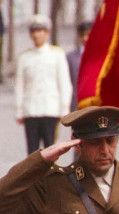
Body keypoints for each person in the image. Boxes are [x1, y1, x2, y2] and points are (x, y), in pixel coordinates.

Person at [15, 14, 72, 154]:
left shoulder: (57, 55)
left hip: (50, 109)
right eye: (34, 31)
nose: (37, 35)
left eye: (40, 31)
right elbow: (19, 85)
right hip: (31, 110)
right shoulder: (24, 57)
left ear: (47, 33)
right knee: (32, 152)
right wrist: (19, 110)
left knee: (51, 150)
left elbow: (64, 83)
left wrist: (64, 109)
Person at [67, 21, 92, 111]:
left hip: (96, 104)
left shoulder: (102, 56)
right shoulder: (70, 57)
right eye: (82, 35)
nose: (85, 38)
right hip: (76, 104)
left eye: (88, 34)